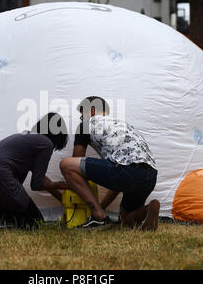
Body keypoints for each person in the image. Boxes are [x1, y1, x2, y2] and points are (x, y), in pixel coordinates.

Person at [60, 96, 159, 230]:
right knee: (125, 220)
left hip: (126, 171)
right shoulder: (123, 125)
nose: (81, 118)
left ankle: (98, 218)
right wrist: (102, 207)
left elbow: (75, 161)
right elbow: (116, 180)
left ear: (92, 111)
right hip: (150, 175)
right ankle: (147, 210)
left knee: (66, 165)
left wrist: (97, 210)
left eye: (82, 114)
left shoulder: (86, 124)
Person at [0, 113, 68, 231]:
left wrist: (62, 199)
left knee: (18, 214)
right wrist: (63, 185)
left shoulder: (27, 138)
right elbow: (37, 184)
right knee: (35, 223)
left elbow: (41, 178)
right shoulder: (45, 143)